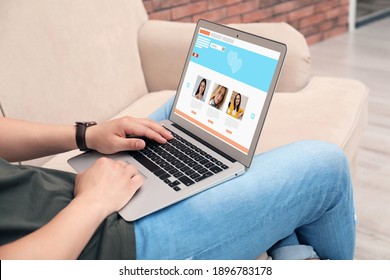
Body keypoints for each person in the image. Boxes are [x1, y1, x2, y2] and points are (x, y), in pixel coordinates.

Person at [0, 97, 356, 260]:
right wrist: (93, 202)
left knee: (182, 111)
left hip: (75, 197)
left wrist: (87, 135)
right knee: (325, 167)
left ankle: (285, 244)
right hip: (103, 244)